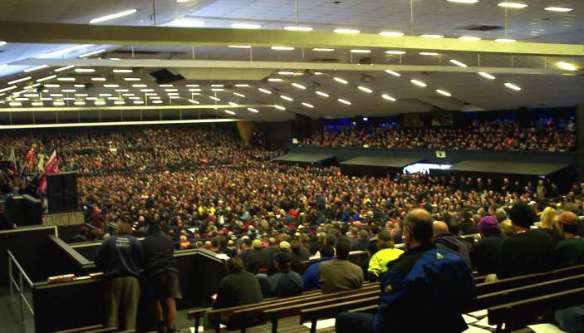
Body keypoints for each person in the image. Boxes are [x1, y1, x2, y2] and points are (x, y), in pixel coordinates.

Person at [335, 208, 475, 333]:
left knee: (344, 318)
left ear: (408, 232)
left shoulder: (401, 269)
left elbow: (386, 321)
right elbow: (468, 298)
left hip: (410, 327)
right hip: (448, 324)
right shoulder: (454, 259)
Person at [95, 221, 144, 330]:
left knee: (112, 314)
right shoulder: (135, 241)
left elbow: (97, 259)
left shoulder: (109, 241)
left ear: (118, 230)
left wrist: (106, 268)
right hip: (132, 280)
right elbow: (142, 260)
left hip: (113, 280)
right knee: (131, 313)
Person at [497, 203, 555, 278]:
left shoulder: (508, 244)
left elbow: (502, 274)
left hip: (519, 286)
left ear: (512, 222)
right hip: (548, 284)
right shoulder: (546, 237)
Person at [142, 223, 181, 333]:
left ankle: (160, 326)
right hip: (171, 271)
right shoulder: (168, 240)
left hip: (155, 272)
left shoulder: (146, 242)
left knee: (156, 299)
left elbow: (143, 259)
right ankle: (172, 328)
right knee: (170, 300)